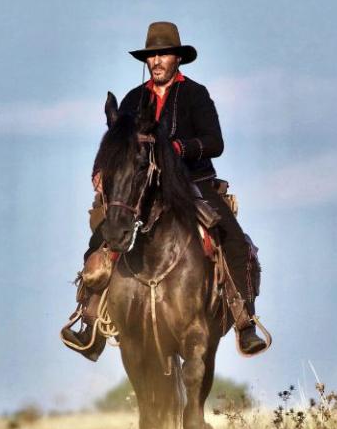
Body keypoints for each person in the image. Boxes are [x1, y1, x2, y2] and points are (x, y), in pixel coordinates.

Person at [61, 21, 268, 359]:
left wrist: (178, 149)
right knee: (101, 237)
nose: (157, 60)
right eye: (152, 54)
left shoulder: (195, 95)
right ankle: (90, 321)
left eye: (164, 54)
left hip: (193, 183)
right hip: (142, 187)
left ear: (178, 59)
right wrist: (101, 172)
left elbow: (215, 143)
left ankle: (245, 320)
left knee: (233, 237)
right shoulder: (131, 100)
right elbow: (115, 145)